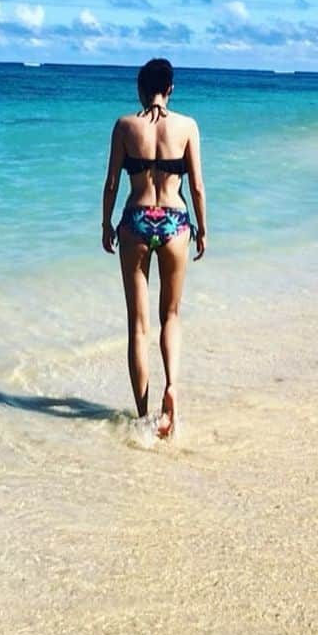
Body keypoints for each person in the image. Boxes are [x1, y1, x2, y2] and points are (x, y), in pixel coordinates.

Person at [102, 58, 206, 438]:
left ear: (140, 89)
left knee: (137, 326)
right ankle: (172, 389)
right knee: (171, 317)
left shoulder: (125, 126)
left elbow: (112, 181)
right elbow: (196, 185)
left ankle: (144, 417)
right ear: (171, 88)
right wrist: (204, 229)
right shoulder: (187, 126)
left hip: (135, 220)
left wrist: (104, 224)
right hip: (176, 221)